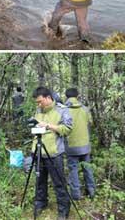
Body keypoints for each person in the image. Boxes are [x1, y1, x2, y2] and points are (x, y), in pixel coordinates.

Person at [31, 87, 73, 220]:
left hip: (54, 153)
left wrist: (48, 126)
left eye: (40, 101)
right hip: (38, 151)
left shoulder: (62, 110)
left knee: (59, 183)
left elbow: (67, 129)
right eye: (37, 102)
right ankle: (40, 203)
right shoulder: (38, 110)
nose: (39, 104)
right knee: (40, 181)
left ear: (48, 98)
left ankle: (63, 209)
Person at [64, 88, 96, 200]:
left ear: (66, 97)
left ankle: (76, 195)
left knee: (73, 169)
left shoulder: (64, 110)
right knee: (87, 168)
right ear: (77, 96)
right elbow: (90, 123)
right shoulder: (85, 109)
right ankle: (91, 192)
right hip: (85, 145)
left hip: (71, 146)